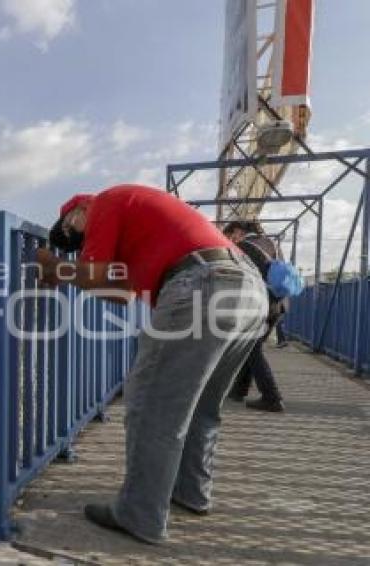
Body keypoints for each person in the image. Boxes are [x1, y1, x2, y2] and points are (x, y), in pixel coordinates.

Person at [36, 185, 267, 544]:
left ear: (77, 210)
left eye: (71, 231)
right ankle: (191, 493)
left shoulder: (105, 202)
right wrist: (70, 273)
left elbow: (93, 275)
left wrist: (55, 268)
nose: (78, 242)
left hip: (201, 283)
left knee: (150, 404)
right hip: (248, 290)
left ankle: (140, 514)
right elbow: (121, 294)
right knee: (203, 406)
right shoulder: (137, 226)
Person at [223, 221, 286, 412]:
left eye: (230, 235)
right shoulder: (271, 245)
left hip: (259, 305)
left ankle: (272, 397)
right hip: (277, 305)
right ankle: (239, 390)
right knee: (250, 347)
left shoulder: (244, 247)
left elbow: (237, 278)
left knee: (252, 349)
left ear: (239, 232)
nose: (229, 239)